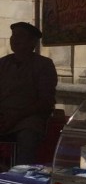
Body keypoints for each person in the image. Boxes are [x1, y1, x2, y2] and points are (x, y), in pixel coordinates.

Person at [0, 21, 58, 165]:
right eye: (13, 35)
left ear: (33, 42)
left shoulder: (44, 65)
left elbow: (45, 100)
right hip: (3, 114)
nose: (14, 39)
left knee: (28, 136)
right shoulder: (2, 63)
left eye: (20, 36)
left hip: (28, 117)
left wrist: (16, 116)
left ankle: (22, 174)